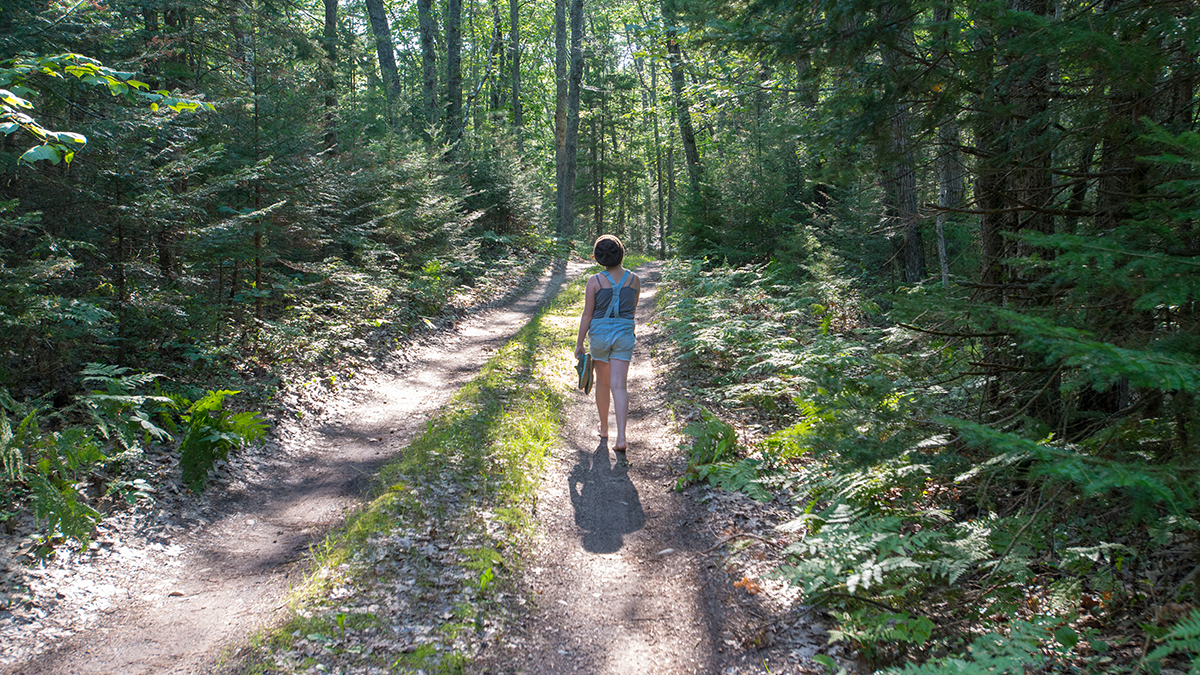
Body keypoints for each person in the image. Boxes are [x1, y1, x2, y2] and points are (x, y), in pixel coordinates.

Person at [575, 235, 641, 453]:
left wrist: (579, 344)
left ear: (599, 258)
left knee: (603, 384)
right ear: (621, 253)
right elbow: (632, 311)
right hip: (623, 334)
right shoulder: (634, 280)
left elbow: (587, 315)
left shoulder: (594, 281)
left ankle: (604, 428)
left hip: (600, 336)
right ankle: (621, 437)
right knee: (619, 385)